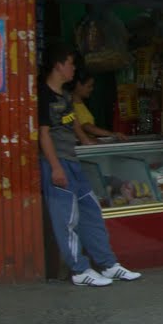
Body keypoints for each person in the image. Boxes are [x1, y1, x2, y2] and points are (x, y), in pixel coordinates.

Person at [39, 43, 141, 287]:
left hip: (73, 161)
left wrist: (86, 143)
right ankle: (79, 270)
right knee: (67, 219)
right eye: (71, 64)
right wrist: (55, 167)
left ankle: (108, 264)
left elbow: (73, 124)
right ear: (59, 65)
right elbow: (43, 135)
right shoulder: (42, 95)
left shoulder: (64, 95)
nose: (74, 69)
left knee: (91, 211)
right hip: (58, 163)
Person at [69, 68, 127, 143]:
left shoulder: (80, 104)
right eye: (89, 86)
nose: (92, 89)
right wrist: (112, 134)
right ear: (78, 85)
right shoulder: (72, 106)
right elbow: (86, 126)